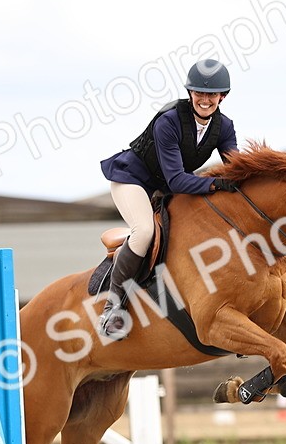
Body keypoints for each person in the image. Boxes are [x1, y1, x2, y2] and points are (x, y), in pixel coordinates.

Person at [98, 58, 241, 338]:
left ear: (222, 97)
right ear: (190, 93)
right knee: (144, 232)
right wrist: (216, 184)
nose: (205, 99)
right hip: (133, 180)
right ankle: (112, 309)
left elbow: (236, 169)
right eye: (199, 93)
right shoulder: (170, 121)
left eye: (211, 94)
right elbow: (177, 179)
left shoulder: (224, 127)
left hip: (167, 187)